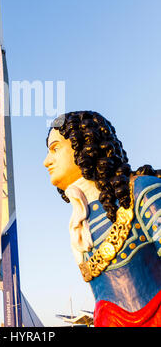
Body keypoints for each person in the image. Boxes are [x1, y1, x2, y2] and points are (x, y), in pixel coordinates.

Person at [43, 111, 161, 327]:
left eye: (55, 149)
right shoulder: (80, 223)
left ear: (86, 144)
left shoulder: (141, 191)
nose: (46, 162)